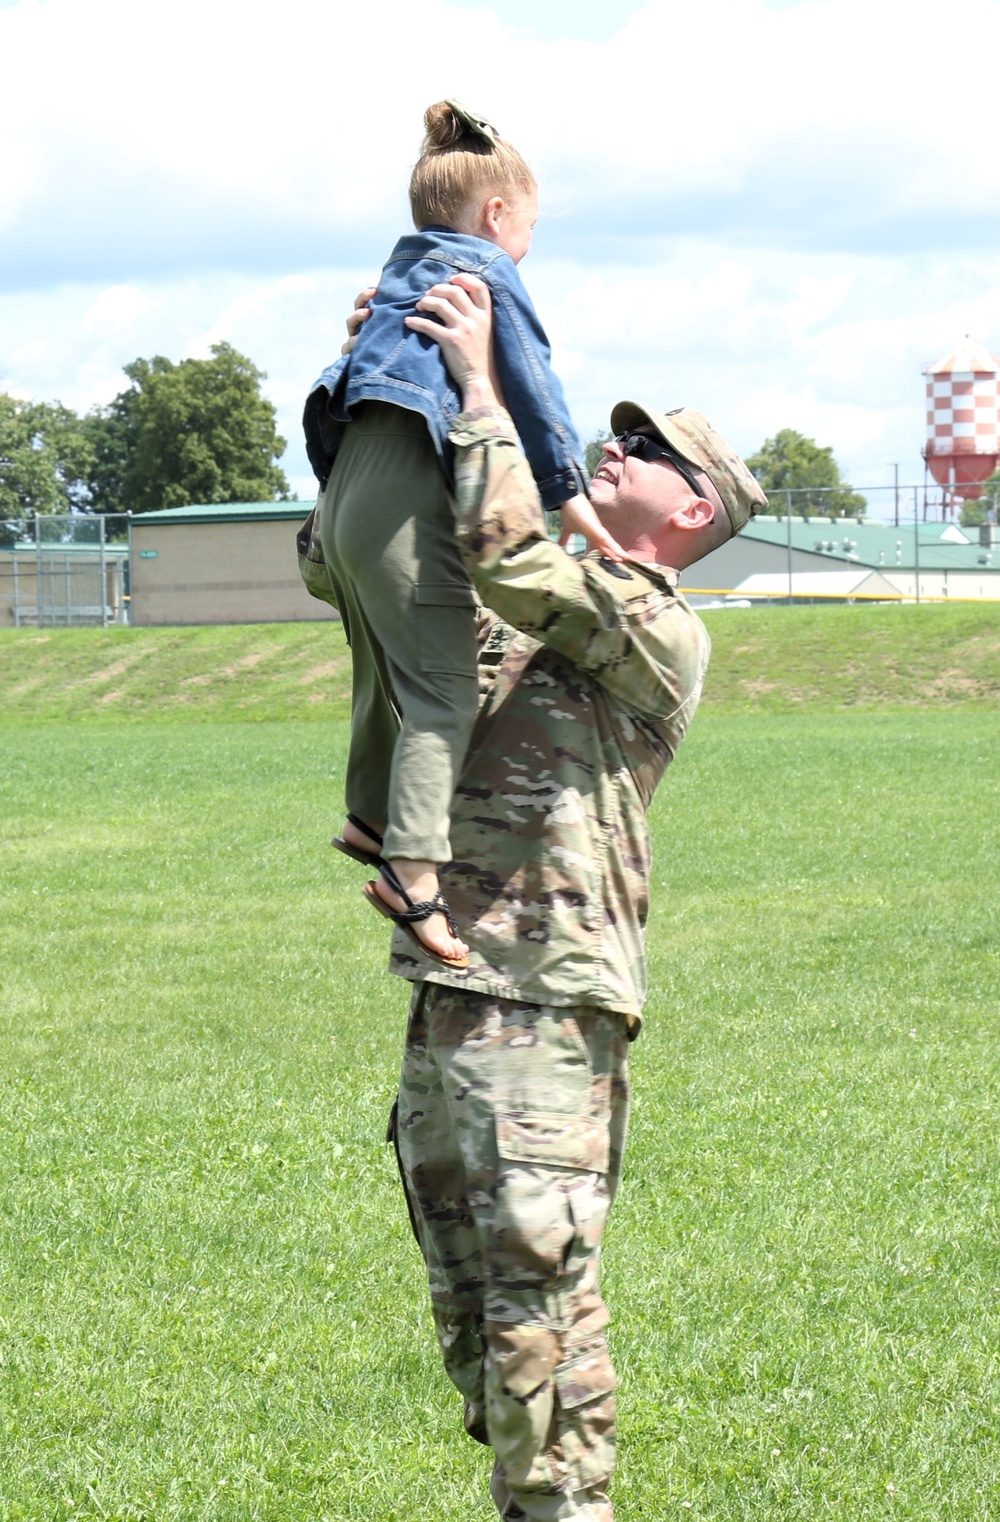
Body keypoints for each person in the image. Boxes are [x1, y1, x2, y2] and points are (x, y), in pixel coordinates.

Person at [359, 273, 768, 1522]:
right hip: (454, 981)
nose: (611, 443)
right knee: (475, 1314)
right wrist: (387, 408)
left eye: (642, 447)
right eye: (616, 428)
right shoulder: (544, 609)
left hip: (547, 999)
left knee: (540, 1287)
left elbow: (511, 559)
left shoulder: (653, 626)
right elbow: (386, 588)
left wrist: (483, 385)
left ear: (691, 507)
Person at [302, 100, 622, 970]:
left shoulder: (394, 280)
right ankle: (412, 876)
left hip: (347, 493)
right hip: (405, 492)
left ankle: (370, 815)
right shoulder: (484, 272)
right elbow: (533, 377)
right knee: (442, 694)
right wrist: (573, 496)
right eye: (527, 228)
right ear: (494, 216)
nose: (526, 247)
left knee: (381, 668)